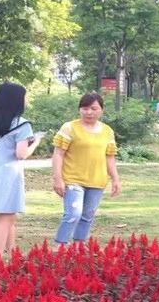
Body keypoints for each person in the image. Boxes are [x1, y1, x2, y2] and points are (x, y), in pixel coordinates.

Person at [0, 82, 43, 262]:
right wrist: (35, 142)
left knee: (9, 217)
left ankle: (13, 255)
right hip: (9, 175)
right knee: (4, 220)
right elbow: (21, 154)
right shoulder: (22, 125)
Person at [51, 92, 121, 247]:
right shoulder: (69, 127)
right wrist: (57, 178)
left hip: (97, 180)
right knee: (73, 214)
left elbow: (110, 156)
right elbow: (58, 153)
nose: (89, 112)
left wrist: (115, 178)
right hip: (73, 179)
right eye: (84, 108)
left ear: (101, 110)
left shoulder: (107, 131)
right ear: (79, 110)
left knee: (88, 215)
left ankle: (79, 246)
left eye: (93, 108)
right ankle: (60, 245)